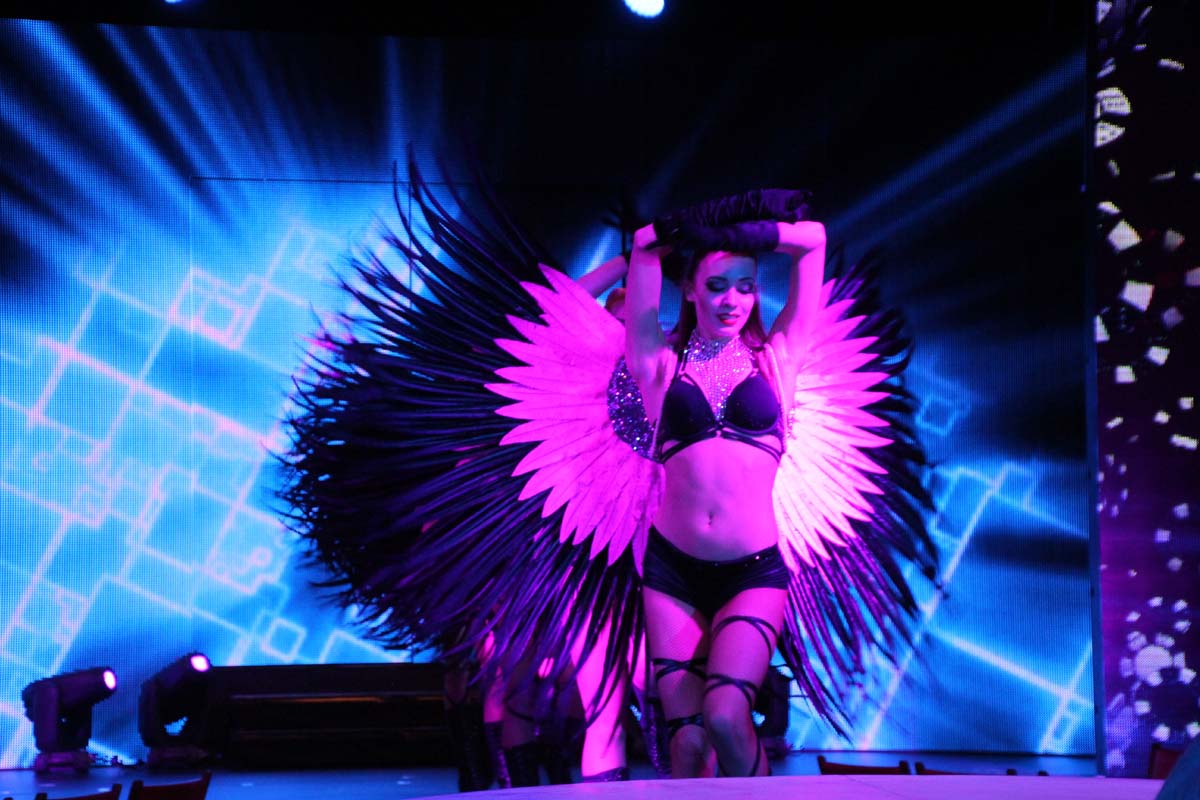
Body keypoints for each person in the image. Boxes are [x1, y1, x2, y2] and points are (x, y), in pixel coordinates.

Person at [622, 214, 827, 778]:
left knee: (726, 717)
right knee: (687, 746)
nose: (732, 300)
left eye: (745, 286)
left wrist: (741, 229)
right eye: (716, 285)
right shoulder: (659, 364)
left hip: (751, 571)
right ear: (689, 290)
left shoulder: (777, 358)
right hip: (672, 573)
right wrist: (693, 231)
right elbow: (643, 247)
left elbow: (813, 241)